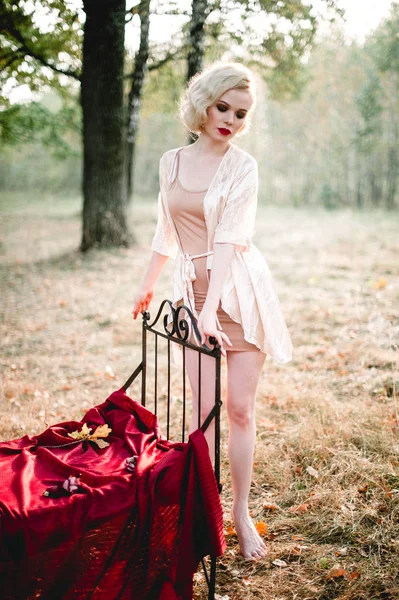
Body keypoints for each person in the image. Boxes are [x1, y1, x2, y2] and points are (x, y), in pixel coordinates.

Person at [132, 61, 293, 561]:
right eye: (223, 107)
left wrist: (211, 309)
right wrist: (147, 284)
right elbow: (167, 228)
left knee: (239, 409)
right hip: (190, 293)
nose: (230, 119)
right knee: (201, 414)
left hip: (237, 295)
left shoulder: (243, 167)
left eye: (241, 114)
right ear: (203, 103)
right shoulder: (171, 161)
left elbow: (228, 239)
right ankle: (204, 511)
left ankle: (242, 513)